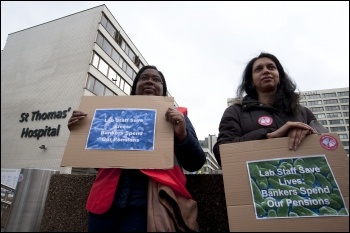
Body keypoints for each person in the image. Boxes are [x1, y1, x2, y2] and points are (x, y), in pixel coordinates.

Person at [68, 65, 206, 232]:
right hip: (104, 202)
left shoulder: (178, 117)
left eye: (156, 80)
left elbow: (196, 163)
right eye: (144, 78)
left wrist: (182, 135)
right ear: (135, 87)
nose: (149, 81)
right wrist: (81, 131)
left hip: (147, 205)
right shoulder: (113, 114)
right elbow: (98, 162)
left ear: (163, 91)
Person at [213, 52, 325, 167]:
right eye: (258, 69)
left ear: (279, 77)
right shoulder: (236, 111)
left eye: (271, 67)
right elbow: (221, 153)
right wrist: (268, 136)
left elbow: (328, 144)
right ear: (251, 81)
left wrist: (310, 134)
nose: (266, 71)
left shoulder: (303, 112)